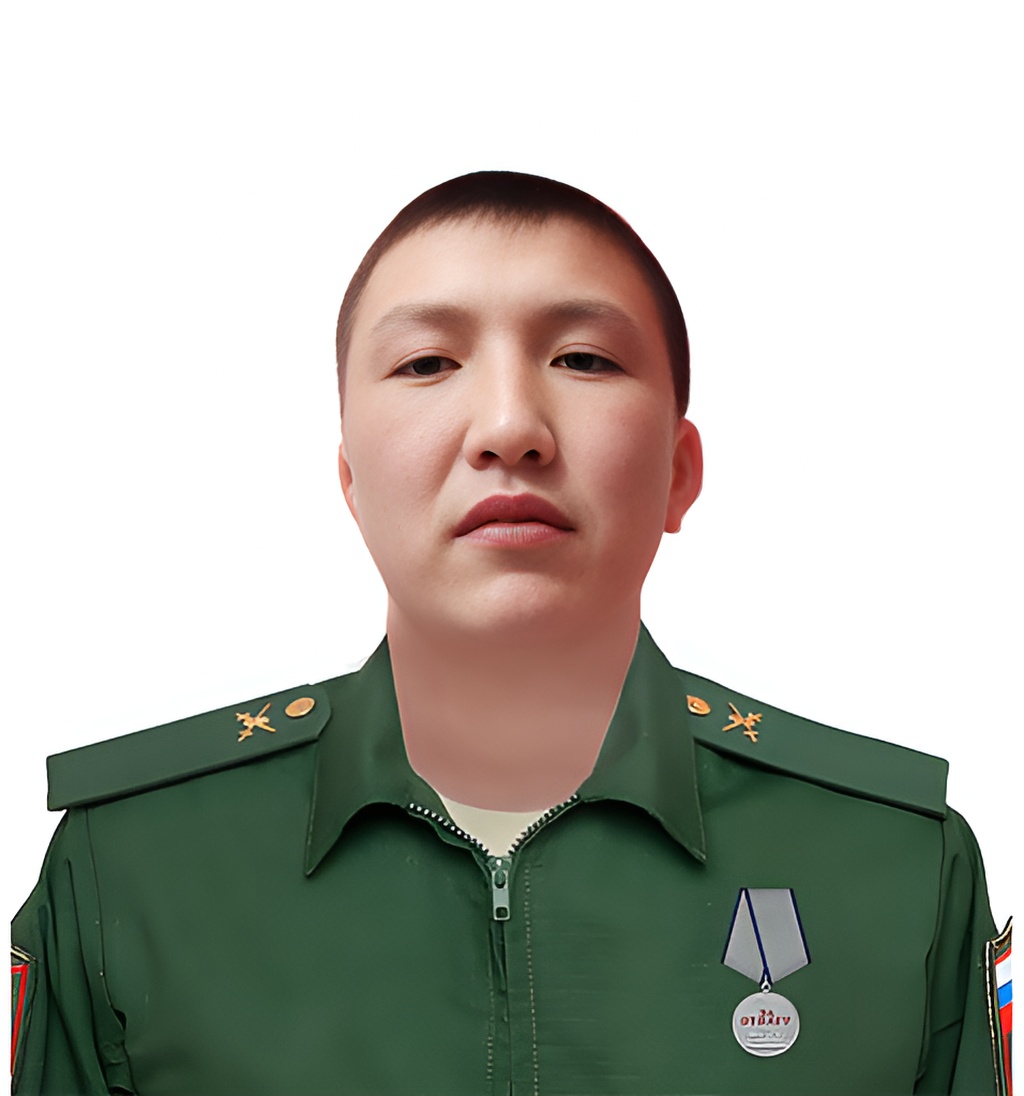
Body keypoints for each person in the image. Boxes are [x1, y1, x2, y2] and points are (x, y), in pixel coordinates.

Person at [11, 172, 1009, 1096]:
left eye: (582, 358)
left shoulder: (896, 869)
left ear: (678, 472)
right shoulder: (131, 865)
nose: (508, 427)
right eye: (427, 362)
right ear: (352, 478)